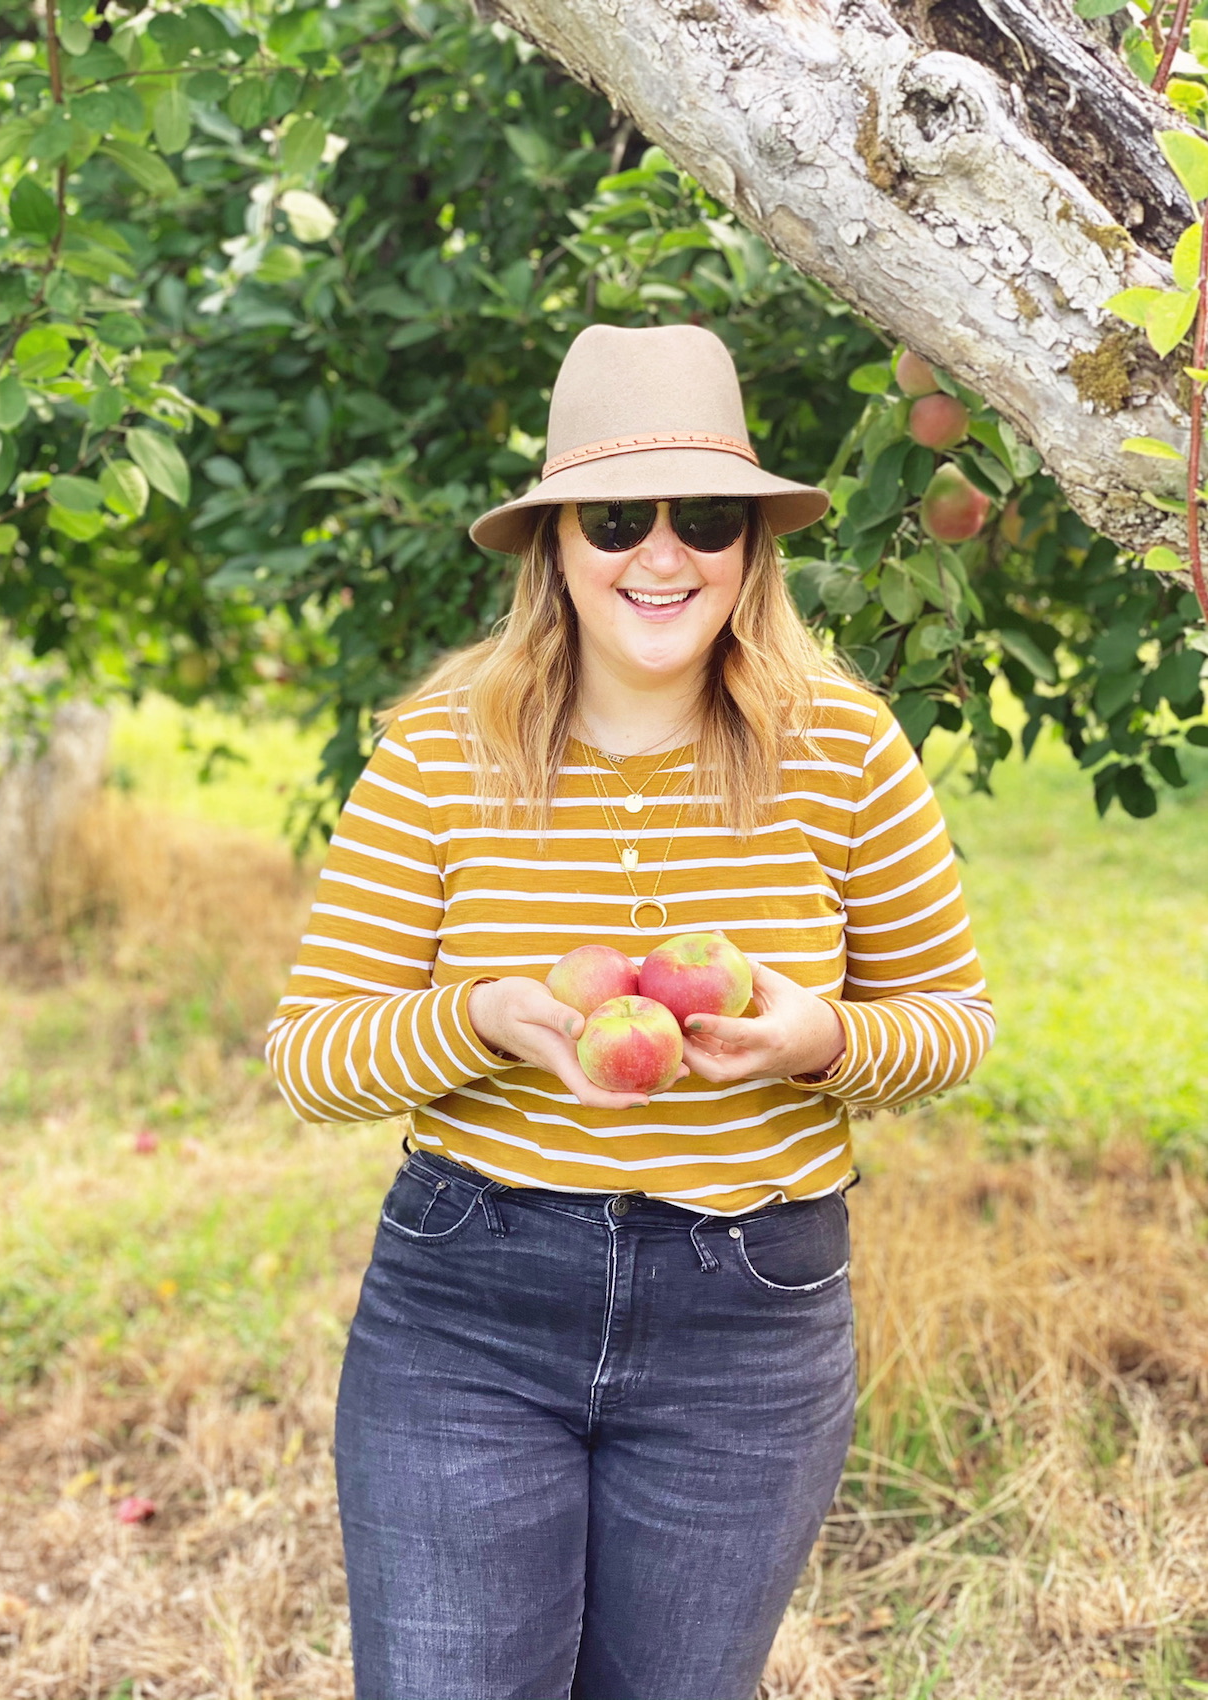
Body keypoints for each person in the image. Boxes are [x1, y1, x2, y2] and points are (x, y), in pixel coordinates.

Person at [266, 323, 994, 1700]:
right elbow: (309, 1055)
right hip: (470, 1309)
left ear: (749, 545)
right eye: (617, 518)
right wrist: (479, 1017)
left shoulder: (844, 749)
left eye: (704, 517)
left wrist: (821, 1039)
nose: (663, 557)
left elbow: (953, 1017)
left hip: (751, 1314)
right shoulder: (442, 751)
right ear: (554, 543)